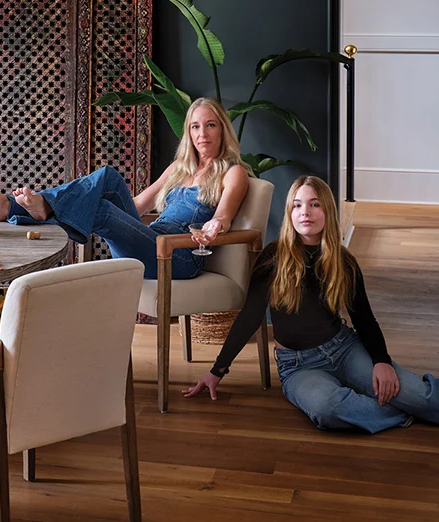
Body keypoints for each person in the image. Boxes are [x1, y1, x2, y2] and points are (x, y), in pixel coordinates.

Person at [183, 175, 439, 433]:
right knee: (329, 410)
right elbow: (250, 317)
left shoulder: (344, 261)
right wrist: (217, 370)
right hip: (298, 366)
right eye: (297, 205)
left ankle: (406, 406)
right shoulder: (274, 257)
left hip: (345, 350)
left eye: (315, 204)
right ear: (290, 213)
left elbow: (364, 319)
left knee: (421, 396)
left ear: (327, 210)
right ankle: (403, 412)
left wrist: (381, 361)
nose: (305, 212)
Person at [0, 97, 252, 279]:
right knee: (107, 176)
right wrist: (103, 203)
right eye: (195, 127)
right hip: (150, 238)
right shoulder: (179, 169)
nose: (202, 134)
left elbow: (223, 216)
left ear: (222, 130)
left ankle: (18, 208)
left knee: (102, 211)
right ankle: (23, 207)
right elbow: (139, 205)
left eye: (210, 125)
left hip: (178, 255)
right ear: (188, 133)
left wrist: (215, 225)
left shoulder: (232, 172)